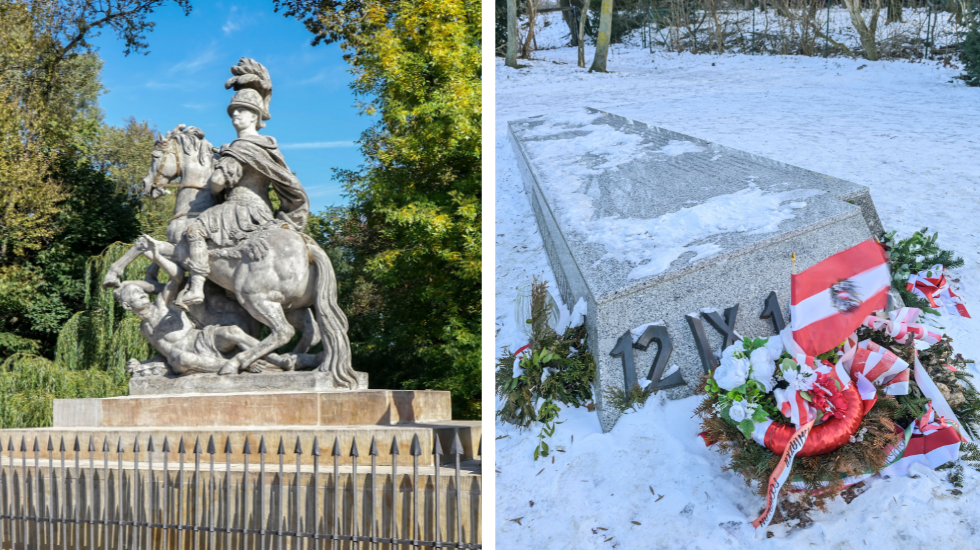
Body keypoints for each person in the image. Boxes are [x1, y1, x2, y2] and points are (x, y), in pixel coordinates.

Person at [178, 58, 310, 307]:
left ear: (255, 116)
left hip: (239, 210)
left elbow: (218, 183)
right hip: (263, 211)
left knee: (194, 230)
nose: (235, 115)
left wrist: (215, 174)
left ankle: (195, 287)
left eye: (242, 111)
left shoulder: (241, 147)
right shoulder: (269, 147)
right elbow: (287, 183)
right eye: (233, 111)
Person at [117, 235, 295, 376]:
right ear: (127, 305)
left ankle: (277, 360)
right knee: (180, 357)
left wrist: (157, 257)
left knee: (231, 331)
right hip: (184, 357)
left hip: (200, 338)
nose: (141, 293)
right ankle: (240, 364)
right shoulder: (145, 328)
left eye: (140, 290)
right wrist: (144, 364)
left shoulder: (162, 304)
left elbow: (177, 277)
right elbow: (166, 353)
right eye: (134, 293)